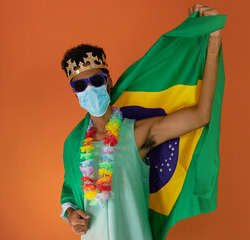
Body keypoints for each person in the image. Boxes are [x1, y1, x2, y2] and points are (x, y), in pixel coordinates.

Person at [59, 3, 222, 239]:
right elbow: (69, 196)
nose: (90, 89)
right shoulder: (73, 145)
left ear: (109, 82)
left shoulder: (137, 133)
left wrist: (213, 41)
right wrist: (71, 215)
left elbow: (201, 115)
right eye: (80, 86)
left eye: (96, 80)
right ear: (75, 94)